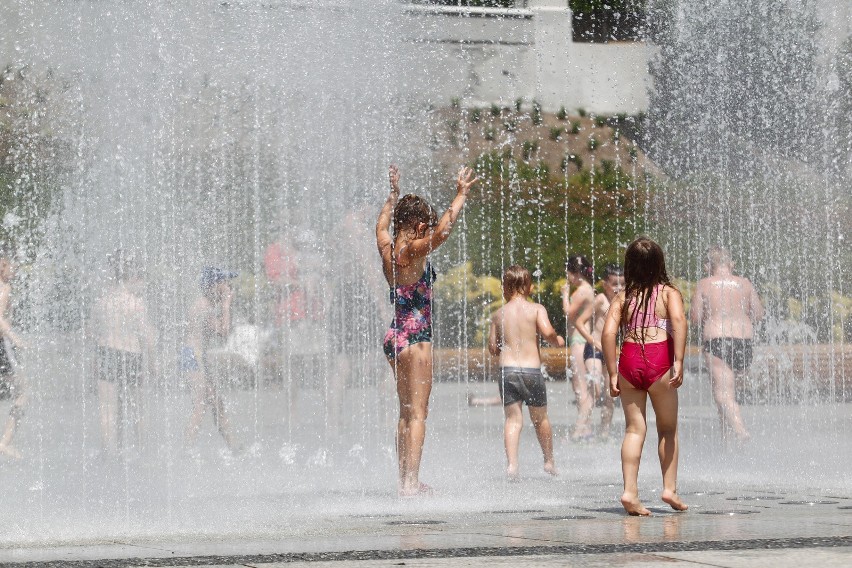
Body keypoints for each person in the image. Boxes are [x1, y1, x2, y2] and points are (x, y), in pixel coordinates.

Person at [376, 164, 477, 497]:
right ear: (418, 225)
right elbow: (442, 234)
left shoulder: (386, 245)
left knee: (404, 412)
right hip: (416, 339)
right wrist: (460, 195)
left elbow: (380, 222)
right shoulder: (411, 251)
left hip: (394, 336)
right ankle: (410, 483)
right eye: (424, 226)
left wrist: (392, 194)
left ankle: (402, 479)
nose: (427, 232)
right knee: (418, 414)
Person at [602, 236, 688, 516]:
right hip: (658, 357)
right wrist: (678, 360)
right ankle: (669, 489)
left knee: (634, 429)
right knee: (667, 429)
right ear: (659, 263)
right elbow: (678, 321)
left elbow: (607, 333)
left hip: (629, 359)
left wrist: (613, 371)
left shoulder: (622, 297)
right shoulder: (668, 293)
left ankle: (629, 491)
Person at [488, 265, 564, 480]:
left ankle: (512, 465)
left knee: (513, 420)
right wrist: (556, 340)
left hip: (507, 370)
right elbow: (547, 331)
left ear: (505, 287)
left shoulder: (498, 314)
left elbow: (493, 348)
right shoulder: (536, 309)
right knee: (541, 418)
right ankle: (548, 461)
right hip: (531, 371)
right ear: (528, 287)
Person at [690, 246, 763, 442]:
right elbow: (758, 314)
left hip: (718, 340)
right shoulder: (745, 284)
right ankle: (727, 446)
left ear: (707, 266)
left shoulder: (704, 284)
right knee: (728, 398)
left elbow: (695, 318)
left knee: (723, 395)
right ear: (732, 264)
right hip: (744, 341)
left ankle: (740, 431)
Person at [88, 250, 158, 455]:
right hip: (131, 354)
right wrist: (153, 362)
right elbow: (147, 337)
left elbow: (91, 332)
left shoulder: (102, 302)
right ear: (130, 276)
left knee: (108, 408)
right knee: (137, 408)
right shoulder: (136, 303)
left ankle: (108, 452)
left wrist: (95, 359)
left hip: (106, 353)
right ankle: (141, 451)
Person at [183, 267, 242, 454]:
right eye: (224, 283)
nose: (228, 286)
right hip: (193, 357)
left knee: (216, 403)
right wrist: (226, 304)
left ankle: (234, 447)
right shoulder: (203, 307)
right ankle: (186, 450)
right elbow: (223, 332)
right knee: (201, 404)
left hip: (194, 356)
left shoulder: (205, 305)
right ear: (212, 286)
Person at [584, 264, 624, 440]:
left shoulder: (623, 300)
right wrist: (593, 341)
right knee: (596, 387)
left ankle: (604, 431)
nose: (619, 288)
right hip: (595, 347)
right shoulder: (600, 299)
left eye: (623, 284)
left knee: (611, 394)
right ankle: (583, 427)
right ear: (604, 284)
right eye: (615, 284)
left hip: (612, 351)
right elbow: (580, 321)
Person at [562, 255, 595, 441]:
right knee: (579, 385)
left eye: (568, 273)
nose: (567, 277)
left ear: (574, 273)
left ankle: (581, 430)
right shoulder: (586, 289)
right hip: (579, 339)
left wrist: (565, 295)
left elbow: (569, 311)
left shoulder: (582, 291)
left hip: (579, 339)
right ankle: (585, 427)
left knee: (581, 385)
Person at [0, 248, 26, 460]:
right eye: (12, 265)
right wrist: (17, 340)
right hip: (4, 345)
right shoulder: (4, 287)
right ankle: (4, 443)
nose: (15, 270)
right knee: (24, 393)